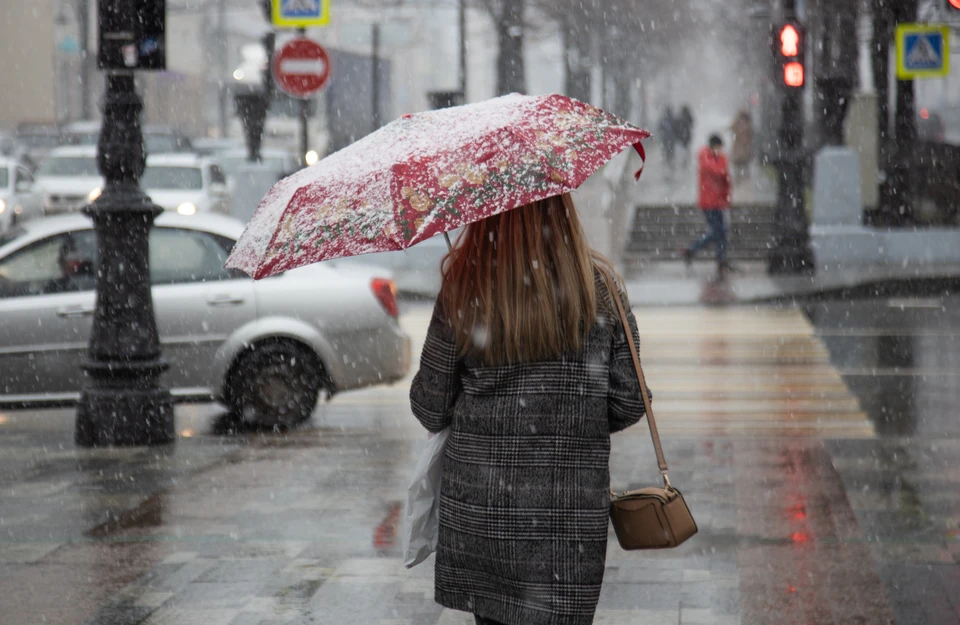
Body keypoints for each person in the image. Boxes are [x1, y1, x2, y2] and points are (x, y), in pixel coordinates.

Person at [410, 192, 648, 625]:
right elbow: (629, 401)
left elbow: (430, 406)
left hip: (483, 516)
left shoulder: (466, 286)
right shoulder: (600, 287)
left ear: (485, 217)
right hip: (568, 521)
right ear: (562, 211)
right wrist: (570, 421)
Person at [682, 134, 732, 275]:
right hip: (708, 202)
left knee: (721, 231)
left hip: (719, 201)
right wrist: (721, 167)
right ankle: (695, 251)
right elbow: (717, 171)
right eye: (718, 147)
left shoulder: (720, 157)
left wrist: (726, 198)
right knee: (718, 231)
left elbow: (725, 177)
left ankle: (719, 258)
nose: (720, 150)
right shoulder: (704, 155)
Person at [730, 109, 754, 180]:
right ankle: (742, 177)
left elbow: (732, 128)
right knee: (743, 164)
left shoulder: (739, 122)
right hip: (743, 147)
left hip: (742, 147)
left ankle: (740, 177)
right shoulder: (747, 123)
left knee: (741, 164)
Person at [657, 106, 677, 177]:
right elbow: (676, 129)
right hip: (670, 140)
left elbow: (659, 128)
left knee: (666, 151)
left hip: (666, 140)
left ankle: (667, 163)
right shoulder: (673, 119)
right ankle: (669, 163)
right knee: (670, 152)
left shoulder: (664, 120)